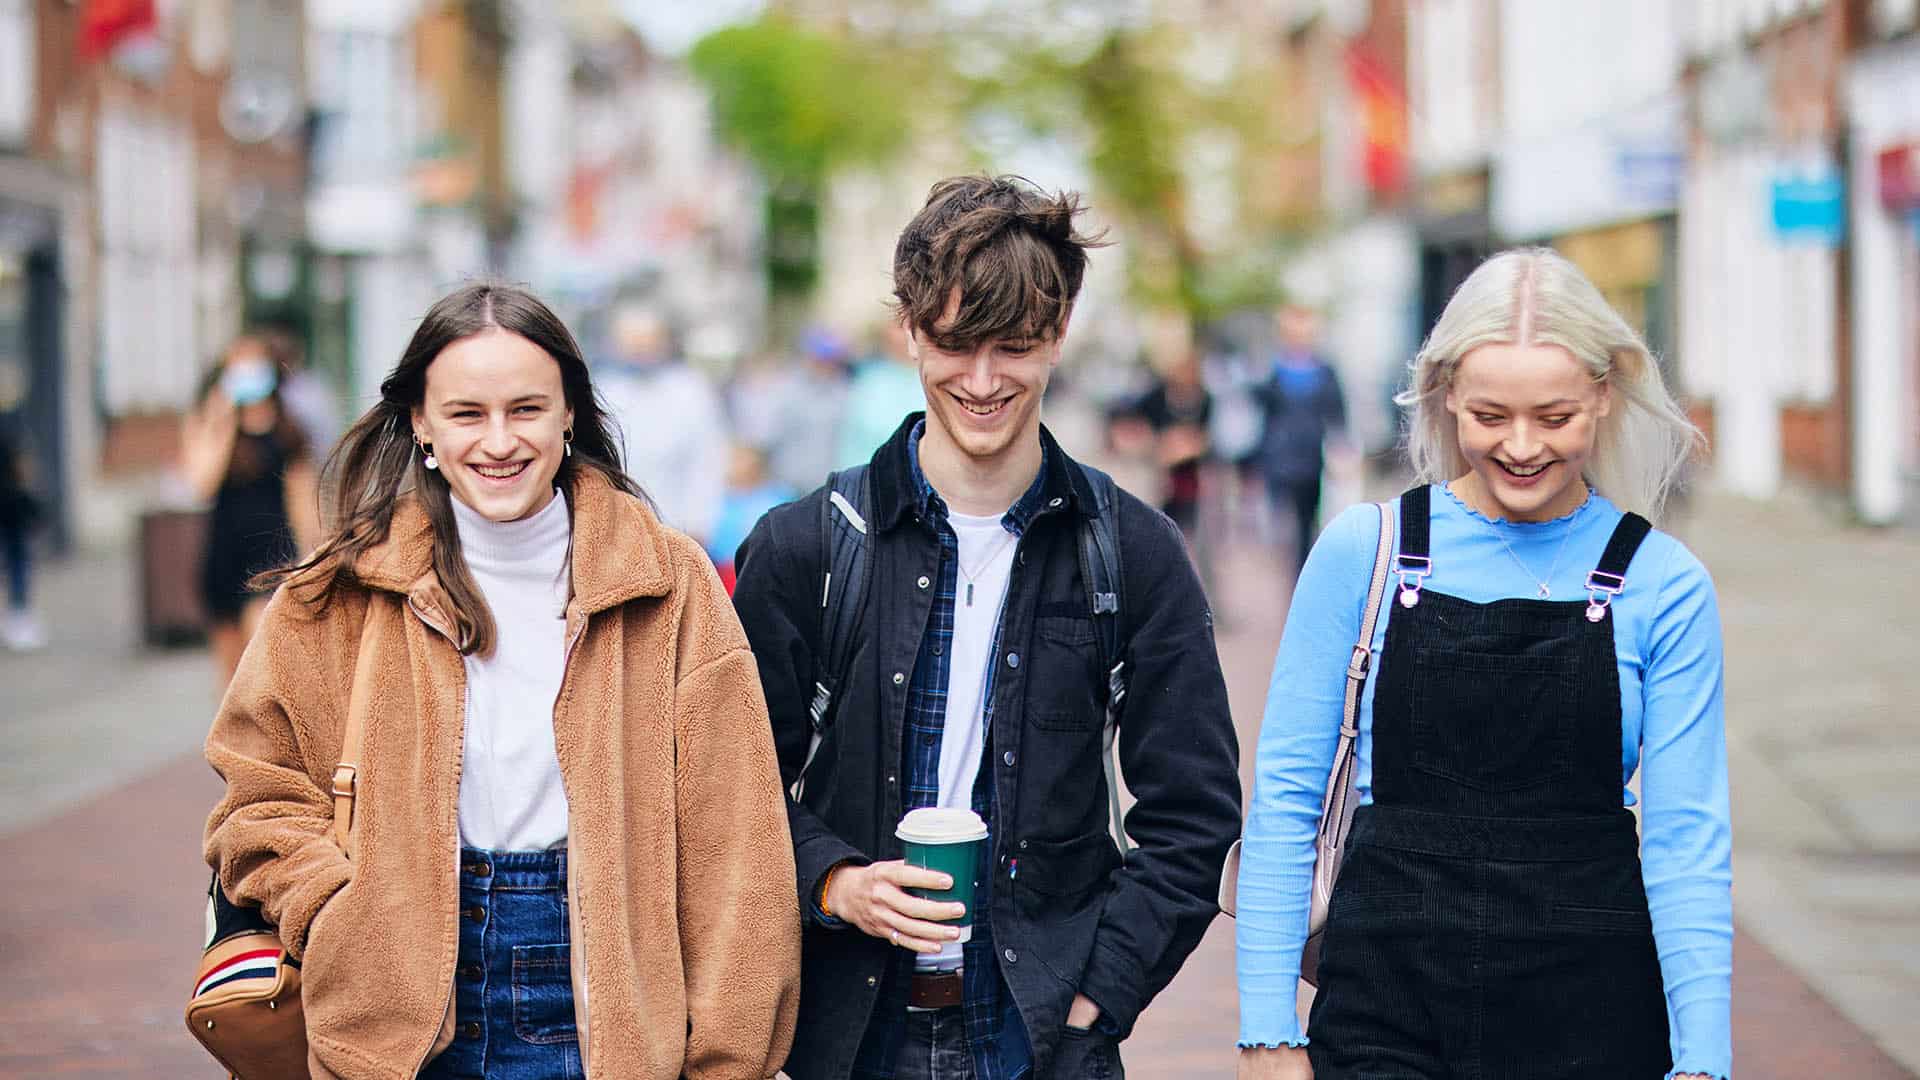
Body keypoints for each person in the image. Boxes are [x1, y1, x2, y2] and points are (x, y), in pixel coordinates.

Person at [202, 282, 800, 1079]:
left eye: (525, 409)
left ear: (570, 414)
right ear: (421, 421)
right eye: (465, 413)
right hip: (391, 1009)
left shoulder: (669, 581)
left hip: (609, 1007)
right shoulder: (337, 593)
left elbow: (737, 846)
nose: (498, 441)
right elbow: (257, 790)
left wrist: (732, 1058)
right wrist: (342, 911)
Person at [733, 175, 1243, 1080]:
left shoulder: (1133, 550)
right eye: (953, 344)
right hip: (849, 1034)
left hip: (1041, 1040)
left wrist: (1097, 997)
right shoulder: (807, 544)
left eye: (1012, 348)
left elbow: (1193, 816)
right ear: (910, 331)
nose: (980, 381)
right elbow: (728, 790)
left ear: (1058, 335)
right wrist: (835, 883)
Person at [1234, 248, 1730, 1080]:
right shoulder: (1372, 553)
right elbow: (1286, 799)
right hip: (1381, 1015)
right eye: (1491, 415)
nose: (1523, 446)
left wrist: (1703, 1061)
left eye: (1556, 416)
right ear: (1446, 395)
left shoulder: (1662, 583)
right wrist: (1266, 1031)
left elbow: (1687, 845)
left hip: (1595, 1021)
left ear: (1605, 395)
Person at [180, 335, 321, 686]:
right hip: (224, 554)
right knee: (230, 679)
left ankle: (269, 739)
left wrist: (310, 558)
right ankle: (233, 741)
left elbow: (302, 500)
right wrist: (222, 422)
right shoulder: (210, 424)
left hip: (271, 556)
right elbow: (201, 484)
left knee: (260, 666)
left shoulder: (289, 430)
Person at [592, 302, 728, 547]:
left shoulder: (690, 389)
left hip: (678, 526)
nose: (640, 349)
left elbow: (706, 460)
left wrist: (700, 523)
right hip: (618, 530)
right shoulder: (603, 390)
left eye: (648, 340)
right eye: (632, 341)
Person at [1253, 304, 1349, 575]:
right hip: (1278, 458)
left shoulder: (1324, 371)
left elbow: (1337, 413)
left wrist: (1341, 450)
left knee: (1307, 523)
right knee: (1279, 523)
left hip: (1310, 458)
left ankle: (1302, 572)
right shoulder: (1272, 369)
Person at [836, 318, 927, 469]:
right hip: (865, 477)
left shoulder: (932, 382)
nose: (902, 336)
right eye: (898, 327)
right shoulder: (867, 379)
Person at [0, 421, 44, 651]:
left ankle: (18, 618)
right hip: (10, 502)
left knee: (16, 560)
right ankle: (18, 618)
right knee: (16, 560)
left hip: (10, 504)